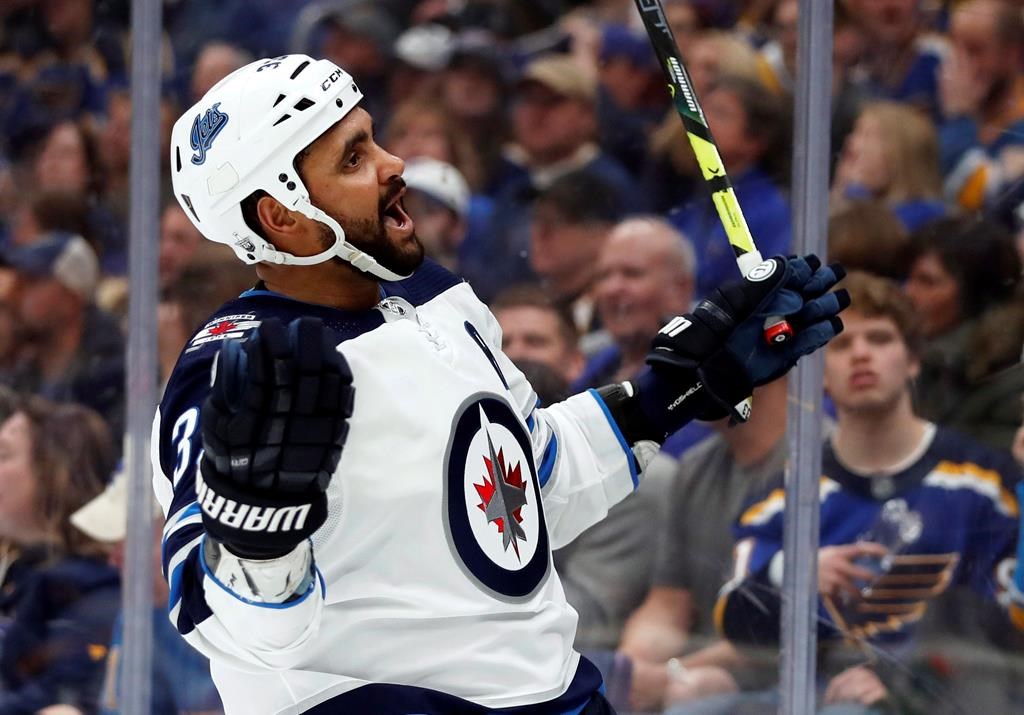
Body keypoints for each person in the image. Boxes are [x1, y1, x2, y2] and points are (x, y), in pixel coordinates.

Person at [156, 53, 847, 713]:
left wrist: (675, 387)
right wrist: (258, 542)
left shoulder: (437, 297)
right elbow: (214, 619)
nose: (395, 166)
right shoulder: (233, 366)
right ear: (281, 216)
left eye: (372, 140)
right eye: (354, 159)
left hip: (553, 698)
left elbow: (526, 490)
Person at [714, 272, 1024, 715]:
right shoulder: (785, 494)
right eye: (840, 345)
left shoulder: (985, 483)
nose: (861, 354)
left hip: (948, 698)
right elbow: (732, 624)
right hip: (810, 697)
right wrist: (790, 573)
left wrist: (897, 679)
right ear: (817, 374)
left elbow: (1010, 625)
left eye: (879, 339)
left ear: (913, 360)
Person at [69, 465, 224, 715]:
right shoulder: (140, 613)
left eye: (128, 539)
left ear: (177, 531)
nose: (114, 559)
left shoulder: (237, 610)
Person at [0, 395, 120, 714]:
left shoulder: (90, 588)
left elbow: (61, 697)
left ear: (53, 470)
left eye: (3, 454)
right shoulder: (21, 576)